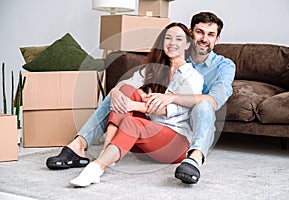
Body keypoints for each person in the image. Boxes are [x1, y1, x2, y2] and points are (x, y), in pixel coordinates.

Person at [46, 12, 236, 185]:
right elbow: (126, 86)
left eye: (210, 35)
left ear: (217, 39)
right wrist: (116, 92)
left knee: (201, 104)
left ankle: (194, 157)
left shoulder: (218, 68)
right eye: (199, 32)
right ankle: (80, 146)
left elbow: (212, 101)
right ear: (191, 35)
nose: (204, 39)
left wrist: (170, 98)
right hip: (156, 126)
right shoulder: (167, 63)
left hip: (187, 128)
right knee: (124, 91)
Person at [68, 22, 204, 187]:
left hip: (175, 145)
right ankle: (107, 150)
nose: (172, 43)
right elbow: (122, 86)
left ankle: (97, 166)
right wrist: (120, 92)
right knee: (125, 89)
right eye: (167, 38)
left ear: (187, 44)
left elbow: (168, 109)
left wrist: (133, 105)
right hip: (146, 144)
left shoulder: (193, 77)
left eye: (178, 39)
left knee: (131, 122)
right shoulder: (155, 70)